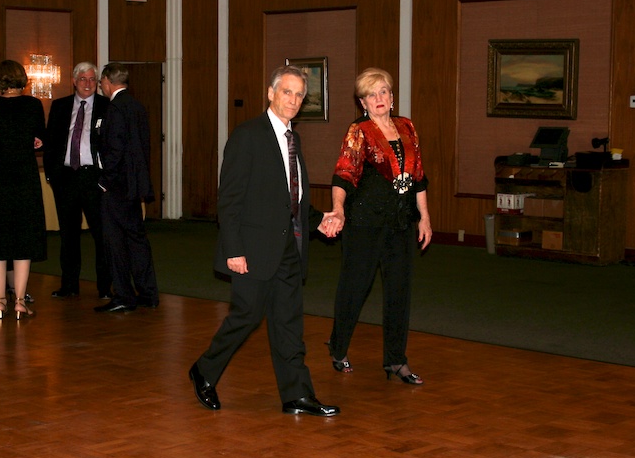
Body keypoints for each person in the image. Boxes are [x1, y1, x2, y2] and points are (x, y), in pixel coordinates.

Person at [188, 65, 343, 417]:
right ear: (270, 93)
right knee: (246, 316)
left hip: (289, 248)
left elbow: (293, 197)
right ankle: (204, 370)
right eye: (286, 92)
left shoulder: (293, 138)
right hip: (252, 249)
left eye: (299, 95)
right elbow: (228, 199)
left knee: (289, 321)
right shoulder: (248, 135)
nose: (293, 100)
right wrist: (234, 250)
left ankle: (297, 395)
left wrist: (320, 222)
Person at [326, 67, 432, 384]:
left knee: (399, 291)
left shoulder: (407, 127)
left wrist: (424, 216)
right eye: (372, 94)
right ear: (363, 102)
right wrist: (337, 210)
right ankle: (338, 347)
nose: (379, 98)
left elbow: (418, 177)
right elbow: (343, 174)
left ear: (392, 96)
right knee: (355, 288)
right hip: (364, 223)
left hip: (400, 223)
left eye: (383, 91)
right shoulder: (359, 131)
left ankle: (396, 361)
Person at [0, 59, 47, 320]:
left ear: (0, 80)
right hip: (25, 174)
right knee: (24, 237)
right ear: (22, 79)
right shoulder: (33, 105)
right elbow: (39, 140)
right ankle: (19, 301)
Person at [94, 62, 159, 312]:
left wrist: (104, 181)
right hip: (134, 187)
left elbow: (115, 150)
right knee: (137, 240)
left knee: (115, 242)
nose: (101, 86)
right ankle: (148, 293)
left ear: (108, 81)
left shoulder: (115, 109)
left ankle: (123, 296)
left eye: (101, 82)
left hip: (116, 187)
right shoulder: (137, 106)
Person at [44, 62, 112, 300]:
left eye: (92, 79)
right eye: (83, 79)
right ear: (74, 81)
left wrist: (106, 178)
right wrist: (52, 174)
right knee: (68, 235)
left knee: (101, 235)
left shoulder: (107, 107)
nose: (88, 84)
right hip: (66, 178)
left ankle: (105, 288)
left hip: (94, 178)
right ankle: (69, 285)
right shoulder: (60, 106)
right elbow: (51, 141)